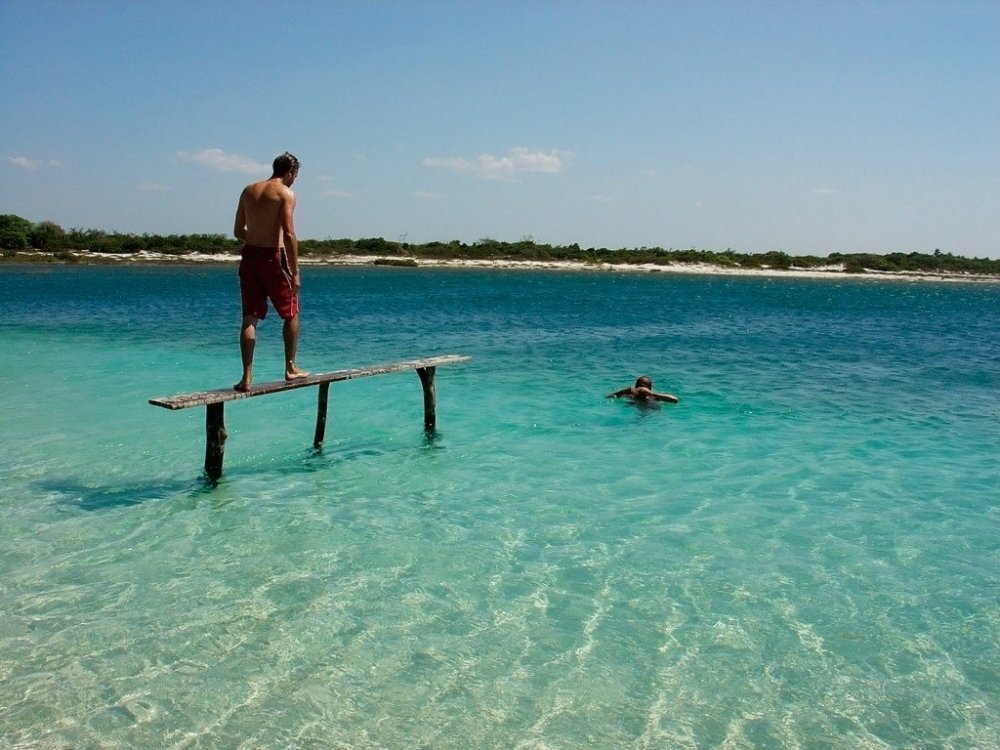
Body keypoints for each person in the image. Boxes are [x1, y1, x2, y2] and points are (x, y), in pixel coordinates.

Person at [232, 152, 309, 392]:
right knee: (291, 312)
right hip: (274, 258)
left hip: (250, 257)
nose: (294, 180)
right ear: (290, 172)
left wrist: (256, 238)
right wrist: (295, 272)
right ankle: (290, 367)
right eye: (295, 175)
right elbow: (289, 233)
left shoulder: (248, 190)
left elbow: (238, 230)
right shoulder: (285, 193)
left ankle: (246, 377)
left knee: (249, 318)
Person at [607, 375, 679, 403]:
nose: (640, 388)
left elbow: (675, 400)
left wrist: (652, 393)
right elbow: (608, 397)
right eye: (638, 386)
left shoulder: (654, 397)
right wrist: (624, 391)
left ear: (649, 388)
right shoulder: (631, 395)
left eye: (643, 386)